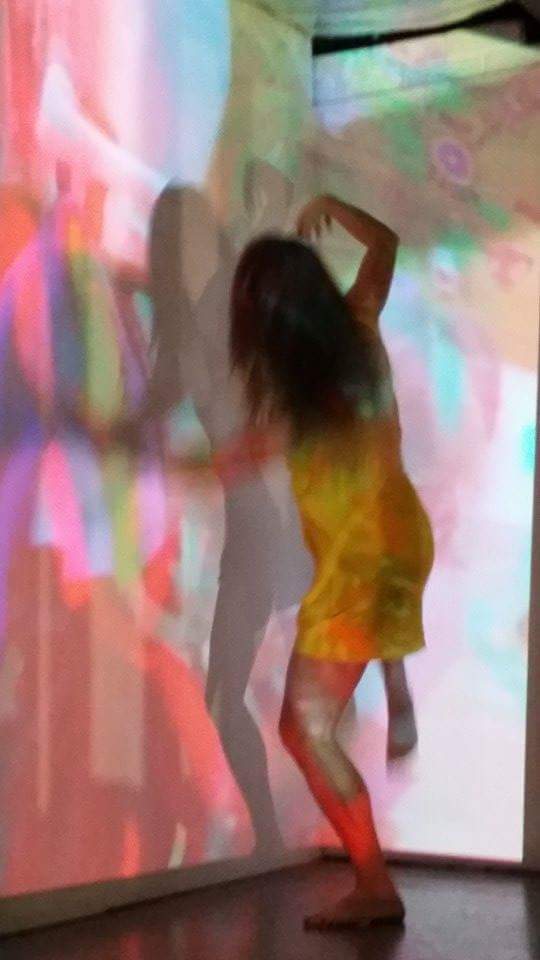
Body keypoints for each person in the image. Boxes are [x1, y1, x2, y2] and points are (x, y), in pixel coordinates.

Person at [229, 194, 434, 928]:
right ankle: (396, 680)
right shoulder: (358, 325)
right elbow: (386, 243)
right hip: (399, 542)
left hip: (358, 571)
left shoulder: (306, 392)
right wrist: (329, 206)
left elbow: (243, 456)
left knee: (305, 730)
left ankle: (374, 887)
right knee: (322, 708)